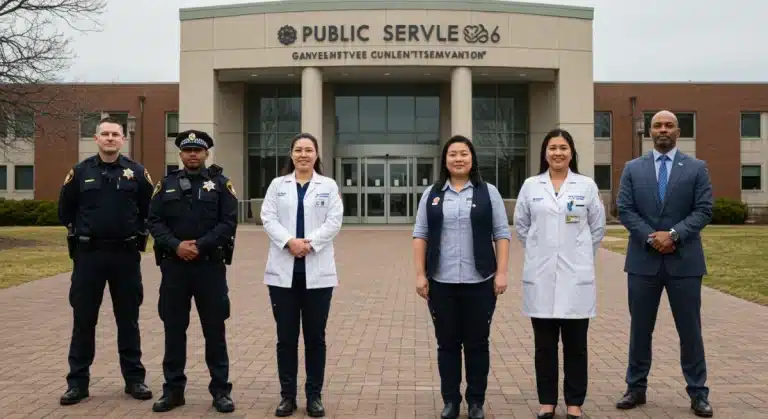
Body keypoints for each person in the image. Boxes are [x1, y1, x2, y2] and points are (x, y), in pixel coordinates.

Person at [615, 110, 714, 417]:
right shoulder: (633, 168)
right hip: (643, 263)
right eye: (657, 125)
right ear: (650, 131)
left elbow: (704, 210)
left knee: (690, 331)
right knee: (640, 330)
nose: (662, 129)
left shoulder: (697, 168)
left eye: (668, 125)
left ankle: (698, 393)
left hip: (684, 263)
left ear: (678, 131)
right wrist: (650, 237)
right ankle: (636, 387)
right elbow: (625, 209)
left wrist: (673, 235)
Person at [57, 116, 154, 405]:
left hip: (125, 255)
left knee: (129, 320)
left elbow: (150, 209)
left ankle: (134, 380)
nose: (110, 138)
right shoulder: (80, 172)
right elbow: (65, 210)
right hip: (89, 256)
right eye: (105, 134)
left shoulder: (136, 173)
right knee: (84, 319)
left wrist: (139, 232)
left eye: (115, 134)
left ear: (123, 139)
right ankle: (77, 383)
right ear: (96, 139)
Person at [412, 135, 511, 419]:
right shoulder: (432, 194)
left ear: (472, 159)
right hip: (441, 283)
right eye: (453, 154)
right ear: (445, 160)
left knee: (478, 343)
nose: (458, 159)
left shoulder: (487, 191)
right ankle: (451, 401)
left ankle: (476, 401)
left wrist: (501, 273)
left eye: (464, 154)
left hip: (480, 281)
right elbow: (420, 235)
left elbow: (501, 234)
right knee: (448, 343)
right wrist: (420, 275)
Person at [513, 128, 606, 419]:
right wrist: (544, 252)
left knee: (576, 345)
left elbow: (597, 227)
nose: (557, 153)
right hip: (541, 276)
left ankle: (575, 402)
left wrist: (577, 256)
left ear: (571, 153)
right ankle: (547, 401)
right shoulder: (531, 186)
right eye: (552, 147)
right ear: (545, 153)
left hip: (575, 276)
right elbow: (522, 226)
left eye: (563, 148)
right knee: (544, 346)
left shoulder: (586, 185)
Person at [146, 129, 238, 413]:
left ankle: (220, 391)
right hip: (175, 268)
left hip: (209, 267)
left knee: (215, 331)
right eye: (188, 150)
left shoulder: (221, 184)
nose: (193, 155)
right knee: (174, 330)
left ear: (206, 154)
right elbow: (154, 221)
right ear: (181, 154)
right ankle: (173, 391)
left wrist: (199, 246)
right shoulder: (166, 184)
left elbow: (228, 222)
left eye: (198, 150)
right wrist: (176, 246)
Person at [260, 132, 343, 417]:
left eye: (309, 150)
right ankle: (287, 396)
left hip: (317, 274)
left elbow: (334, 220)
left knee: (315, 338)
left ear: (317, 155)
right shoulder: (277, 185)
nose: (303, 155)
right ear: (291, 154)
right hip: (283, 274)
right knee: (286, 338)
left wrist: (309, 243)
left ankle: (314, 396)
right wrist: (289, 242)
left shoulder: (328, 186)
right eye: (298, 150)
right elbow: (267, 217)